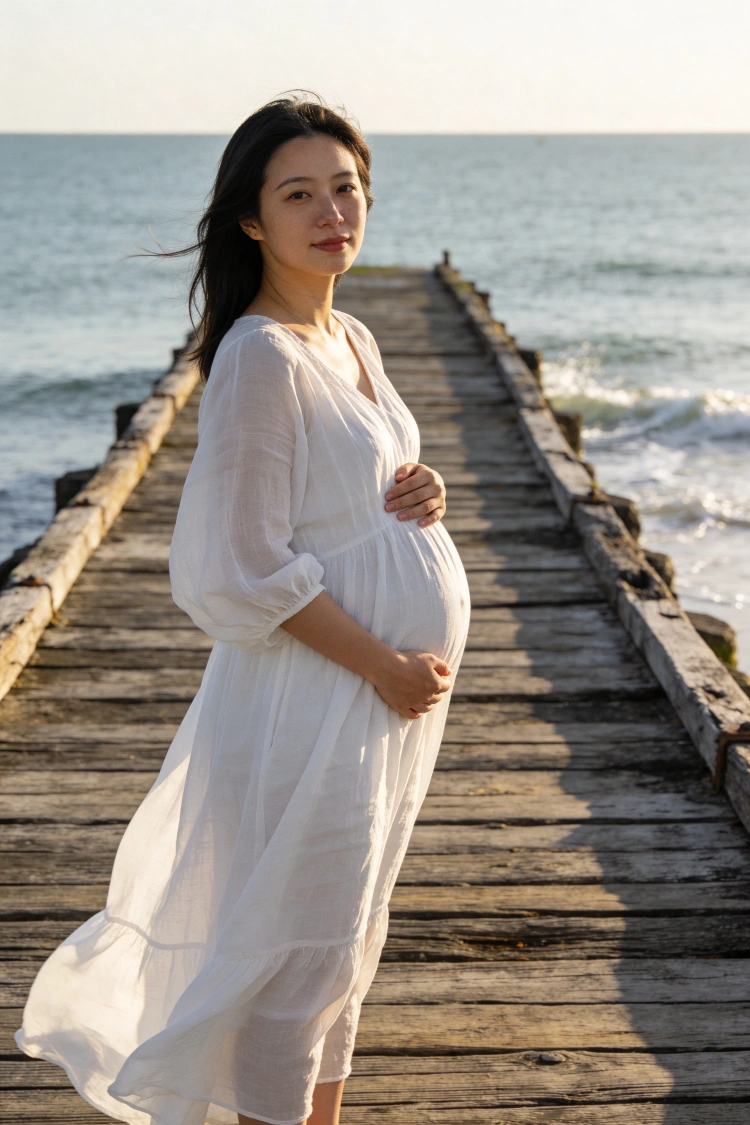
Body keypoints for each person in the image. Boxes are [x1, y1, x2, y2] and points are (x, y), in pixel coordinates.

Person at [15, 95, 471, 1125]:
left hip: (378, 702)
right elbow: (240, 565)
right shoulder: (260, 355)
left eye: (346, 187)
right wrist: (384, 666)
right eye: (298, 193)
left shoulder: (346, 334)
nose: (331, 212)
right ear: (252, 219)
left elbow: (345, 489)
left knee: (343, 940)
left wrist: (419, 490)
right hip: (322, 696)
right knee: (293, 956)